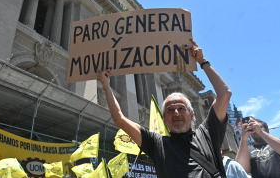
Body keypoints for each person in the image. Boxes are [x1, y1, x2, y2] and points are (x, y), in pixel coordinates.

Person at [97, 40, 232, 178]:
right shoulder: (156, 143)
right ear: (164, 119)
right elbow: (119, 119)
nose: (176, 113)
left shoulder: (207, 134)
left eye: (181, 108)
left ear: (192, 114)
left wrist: (202, 61)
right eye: (170, 110)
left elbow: (225, 94)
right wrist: (106, 86)